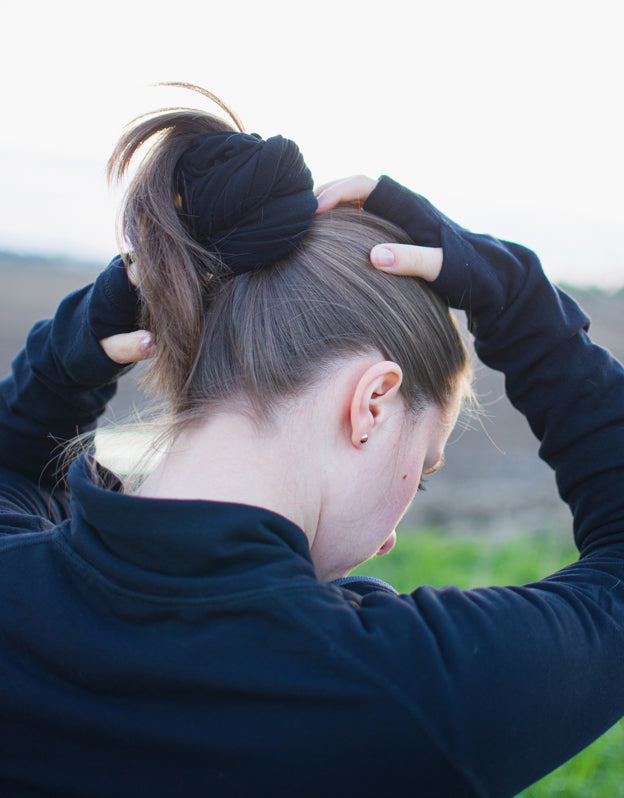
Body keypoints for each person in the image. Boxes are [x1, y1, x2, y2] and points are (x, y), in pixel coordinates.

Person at [0, 87, 622, 798]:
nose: (391, 540)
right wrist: (514, 298)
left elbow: (11, 463)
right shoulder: (409, 694)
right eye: (417, 476)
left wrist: (60, 363)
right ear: (372, 402)